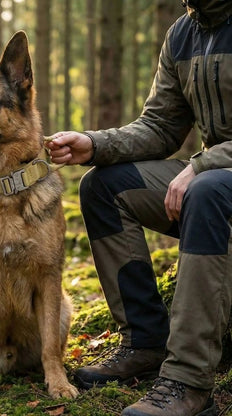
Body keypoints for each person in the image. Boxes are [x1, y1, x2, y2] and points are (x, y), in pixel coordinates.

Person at [46, 1, 232, 415]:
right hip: (216, 179)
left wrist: (202, 165)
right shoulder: (183, 33)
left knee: (207, 191)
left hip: (216, 180)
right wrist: (95, 144)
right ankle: (145, 341)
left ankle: (189, 383)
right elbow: (162, 127)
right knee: (104, 186)